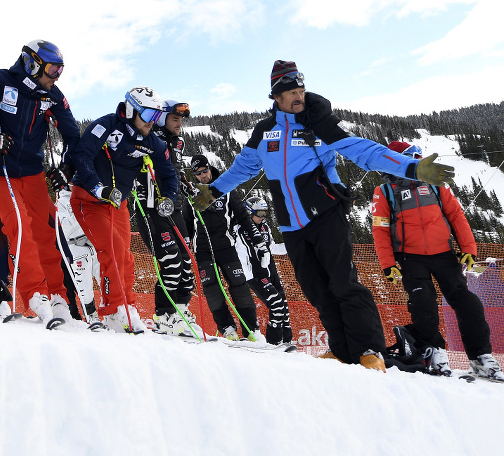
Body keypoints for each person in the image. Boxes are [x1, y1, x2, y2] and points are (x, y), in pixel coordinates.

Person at [195, 60, 456, 372]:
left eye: (301, 90)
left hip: (327, 215)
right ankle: (342, 350)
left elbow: (365, 151)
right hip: (292, 226)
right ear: (276, 97)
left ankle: (369, 350)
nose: (298, 96)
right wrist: (214, 191)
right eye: (291, 92)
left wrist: (411, 167)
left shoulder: (319, 123)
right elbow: (244, 167)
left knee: (345, 284)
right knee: (317, 290)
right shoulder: (265, 132)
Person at [372, 141, 502, 381]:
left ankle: (481, 358)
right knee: (423, 303)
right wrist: (388, 263)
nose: (420, 162)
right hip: (411, 258)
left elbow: (456, 215)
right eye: (414, 158)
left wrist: (468, 249)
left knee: (468, 303)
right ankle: (435, 354)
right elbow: (379, 229)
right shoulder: (385, 191)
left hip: (443, 254)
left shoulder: (435, 184)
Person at [0, 39, 81, 324]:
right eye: (52, 69)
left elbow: (73, 135)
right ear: (32, 63)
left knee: (48, 231)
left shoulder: (52, 94)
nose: (56, 76)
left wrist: (68, 167)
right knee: (19, 226)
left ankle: (58, 296)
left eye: (60, 71)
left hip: (32, 173)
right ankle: (35, 294)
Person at [69, 86, 178, 333]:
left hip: (118, 204)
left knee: (126, 258)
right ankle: (113, 310)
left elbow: (168, 173)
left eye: (158, 117)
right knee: (113, 251)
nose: (154, 123)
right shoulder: (107, 126)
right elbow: (82, 154)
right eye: (150, 116)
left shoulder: (152, 142)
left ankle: (126, 308)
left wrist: (168, 197)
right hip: (89, 200)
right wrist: (97, 187)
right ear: (131, 110)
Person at [133, 100, 200, 337]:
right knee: (171, 262)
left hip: (175, 208)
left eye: (181, 120)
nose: (179, 123)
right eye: (175, 119)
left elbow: (176, 170)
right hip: (151, 207)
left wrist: (187, 185)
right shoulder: (149, 139)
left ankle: (180, 313)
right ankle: (163, 316)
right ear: (161, 119)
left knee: (187, 263)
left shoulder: (178, 142)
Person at [188, 154, 262, 341]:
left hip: (226, 246)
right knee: (212, 289)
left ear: (210, 168)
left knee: (239, 285)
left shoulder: (226, 187)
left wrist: (257, 238)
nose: (203, 176)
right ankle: (228, 329)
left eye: (205, 171)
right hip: (203, 249)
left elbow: (243, 216)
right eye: (198, 174)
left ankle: (251, 329)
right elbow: (187, 224)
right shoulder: (191, 193)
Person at [234, 196, 294, 345]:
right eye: (259, 213)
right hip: (256, 274)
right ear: (249, 212)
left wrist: (293, 246)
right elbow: (241, 254)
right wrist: (247, 276)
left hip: (271, 272)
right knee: (276, 304)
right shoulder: (240, 230)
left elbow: (272, 248)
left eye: (264, 213)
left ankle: (286, 342)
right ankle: (273, 343)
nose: (262, 217)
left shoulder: (265, 227)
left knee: (284, 308)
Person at [55, 187, 101, 323]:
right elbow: (66, 226)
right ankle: (90, 317)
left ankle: (114, 312)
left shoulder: (90, 192)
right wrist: (84, 211)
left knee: (105, 278)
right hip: (75, 247)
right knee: (83, 285)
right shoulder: (62, 199)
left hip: (96, 243)